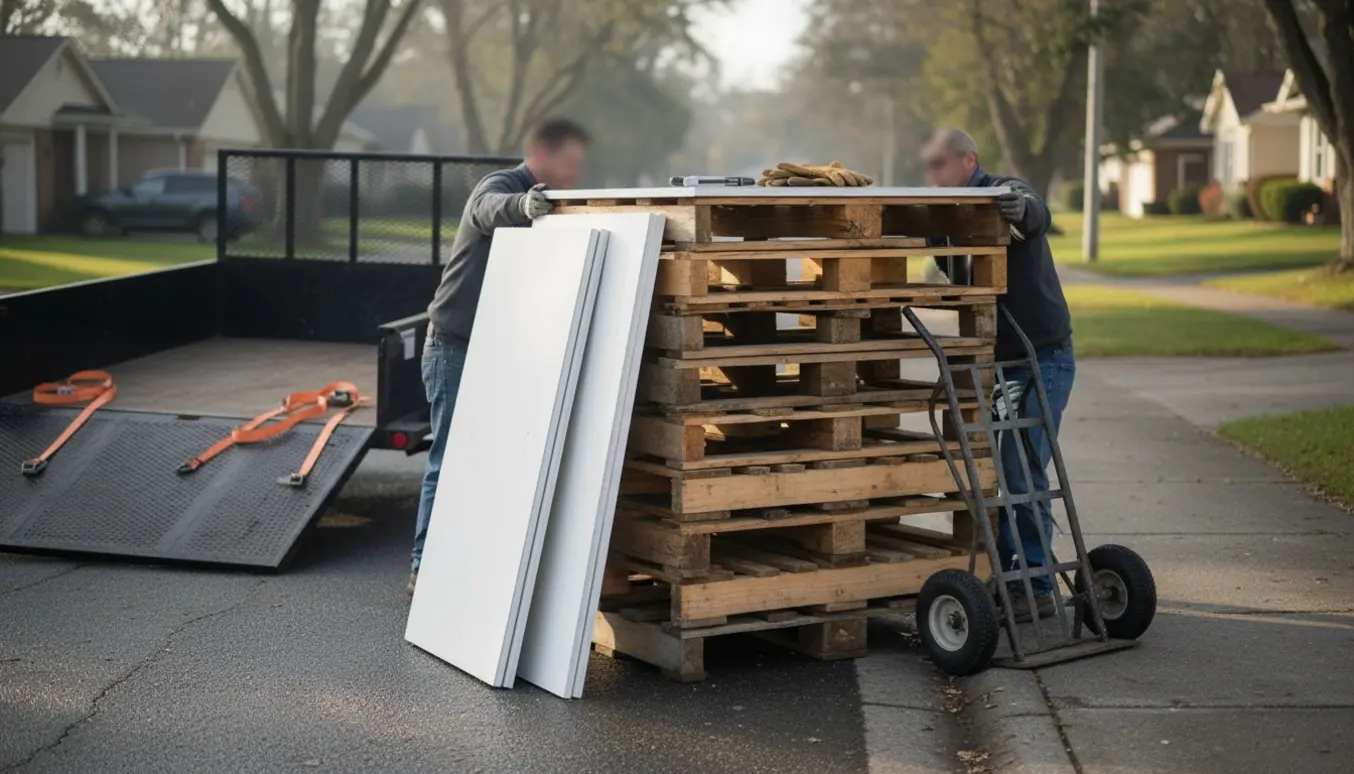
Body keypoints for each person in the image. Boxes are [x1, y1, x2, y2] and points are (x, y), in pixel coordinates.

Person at [409, 117, 592, 593]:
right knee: (447, 461)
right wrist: (522, 205)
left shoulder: (552, 202)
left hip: (493, 350)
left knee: (485, 461)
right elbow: (486, 209)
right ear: (541, 152)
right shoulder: (505, 187)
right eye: (568, 163)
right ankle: (422, 569)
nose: (573, 174)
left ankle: (469, 563)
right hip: (453, 347)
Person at [920, 128, 1074, 620]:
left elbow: (1033, 210)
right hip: (1001, 362)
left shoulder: (1004, 191)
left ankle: (1038, 586)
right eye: (928, 165)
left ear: (969, 160)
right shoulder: (951, 220)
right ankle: (1011, 573)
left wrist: (1020, 208)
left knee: (1020, 467)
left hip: (1042, 356)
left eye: (940, 163)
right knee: (1001, 468)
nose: (933, 174)